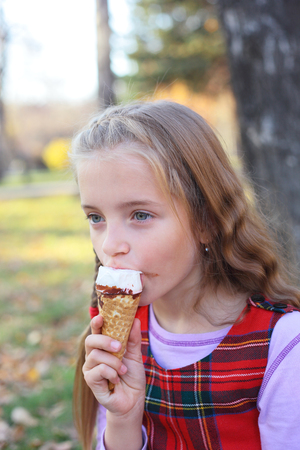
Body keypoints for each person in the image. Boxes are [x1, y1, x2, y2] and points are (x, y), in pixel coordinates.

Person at [70, 100, 300, 450]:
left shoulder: (281, 345)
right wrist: (122, 418)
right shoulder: (118, 336)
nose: (111, 244)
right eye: (96, 218)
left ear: (207, 220)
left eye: (140, 215)